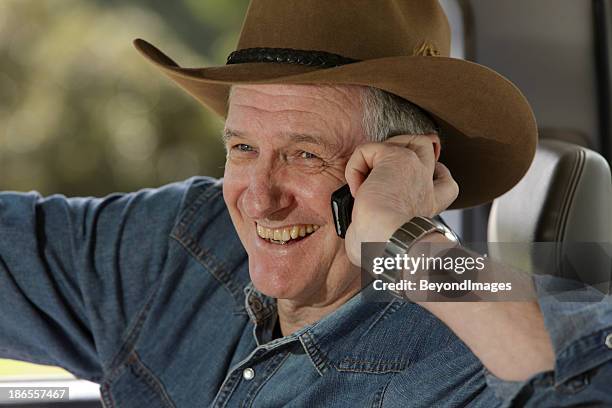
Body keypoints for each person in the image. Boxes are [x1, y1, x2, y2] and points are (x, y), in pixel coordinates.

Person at [1, 1, 611, 406]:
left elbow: (588, 378)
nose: (259, 199)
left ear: (406, 162)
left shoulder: (469, 359)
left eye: (304, 155)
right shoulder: (187, 236)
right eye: (242, 148)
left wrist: (405, 243)